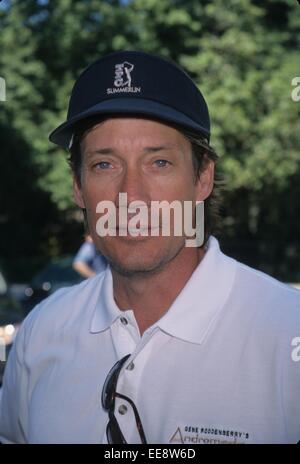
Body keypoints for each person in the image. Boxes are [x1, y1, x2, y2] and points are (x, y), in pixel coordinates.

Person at [0, 50, 300, 444]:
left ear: (202, 178)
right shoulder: (39, 334)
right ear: (78, 186)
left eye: (159, 162)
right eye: (104, 165)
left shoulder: (286, 332)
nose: (131, 195)